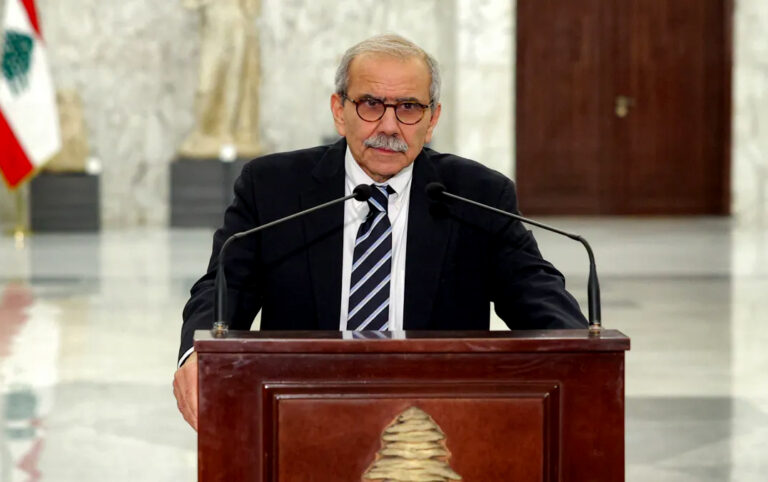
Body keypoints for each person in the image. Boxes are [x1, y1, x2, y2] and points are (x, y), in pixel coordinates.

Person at [173, 34, 587, 430]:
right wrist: (196, 352)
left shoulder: (477, 194)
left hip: (437, 423)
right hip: (300, 411)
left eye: (408, 107)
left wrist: (585, 355)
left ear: (432, 119)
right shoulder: (272, 187)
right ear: (340, 111)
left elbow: (533, 290)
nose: (389, 126)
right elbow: (224, 287)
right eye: (371, 104)